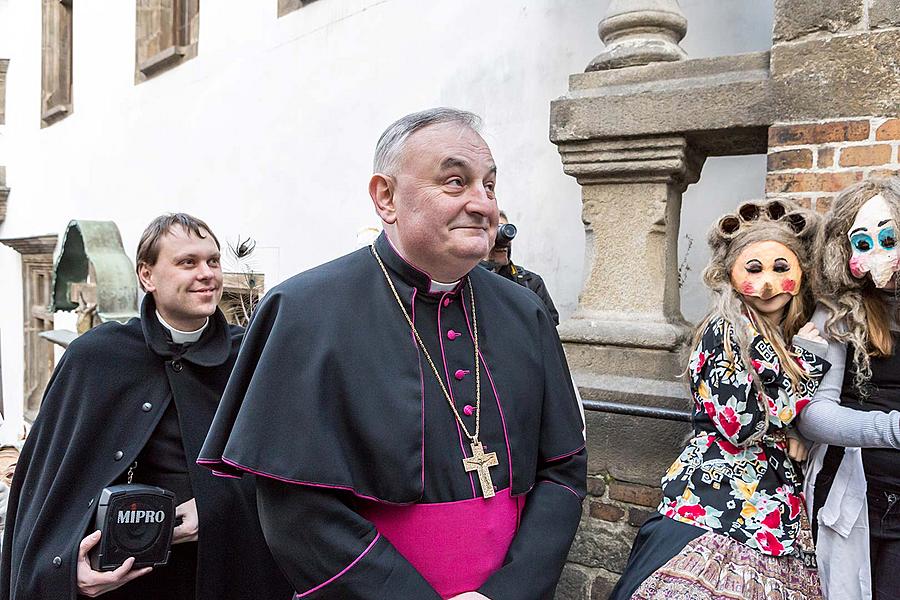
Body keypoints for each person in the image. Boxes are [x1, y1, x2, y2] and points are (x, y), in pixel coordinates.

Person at [198, 108, 587, 599]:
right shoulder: (305, 310)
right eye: (454, 181)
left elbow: (564, 469)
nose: (482, 204)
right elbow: (296, 507)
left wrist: (510, 592)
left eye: (489, 186)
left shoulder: (524, 311)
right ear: (386, 197)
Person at [0, 214, 291, 600]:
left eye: (213, 261)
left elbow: (287, 472)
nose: (207, 274)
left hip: (226, 573)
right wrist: (67, 570)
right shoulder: (96, 358)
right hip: (121, 586)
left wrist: (215, 506)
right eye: (188, 262)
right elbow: (48, 493)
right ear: (147, 276)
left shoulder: (253, 357)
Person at [609, 199, 830, 599]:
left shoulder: (785, 336)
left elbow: (779, 411)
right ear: (730, 273)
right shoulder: (725, 331)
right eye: (754, 268)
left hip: (775, 507)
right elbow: (741, 424)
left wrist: (797, 428)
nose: (767, 283)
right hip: (719, 499)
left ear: (801, 273)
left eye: (781, 268)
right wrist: (807, 367)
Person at [798, 177, 900, 600]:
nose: (878, 253)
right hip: (856, 501)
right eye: (862, 241)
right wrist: (893, 429)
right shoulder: (836, 316)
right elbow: (813, 414)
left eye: (889, 237)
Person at [482, 211, 559, 324]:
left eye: (504, 229)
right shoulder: (464, 281)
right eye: (496, 230)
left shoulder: (530, 283)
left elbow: (549, 327)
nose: (503, 240)